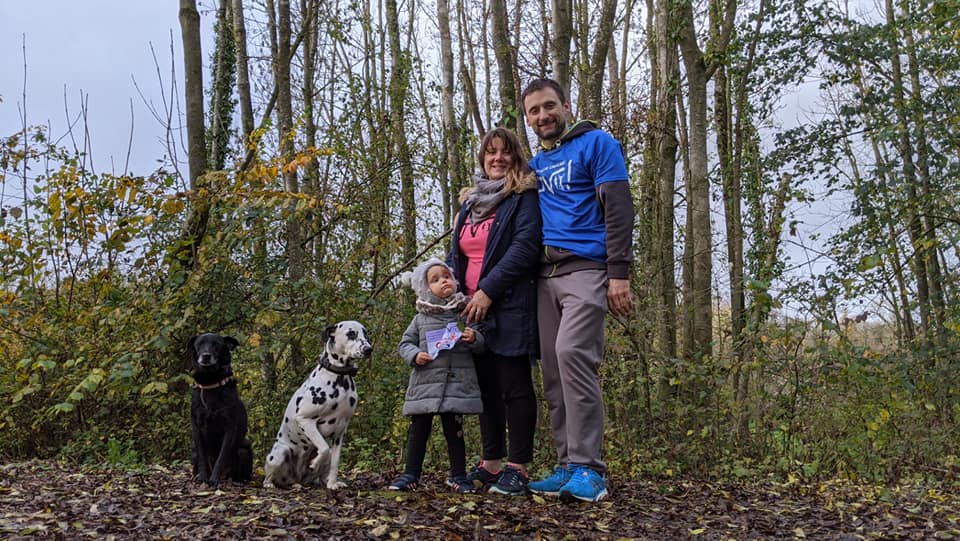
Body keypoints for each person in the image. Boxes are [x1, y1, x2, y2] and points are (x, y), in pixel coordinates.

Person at [521, 78, 635, 503]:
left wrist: (619, 273)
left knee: (573, 355)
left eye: (549, 106)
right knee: (553, 369)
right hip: (543, 277)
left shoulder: (598, 144)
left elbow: (619, 208)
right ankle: (567, 465)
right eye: (534, 111)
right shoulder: (536, 164)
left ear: (566, 106)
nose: (543, 115)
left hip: (587, 267)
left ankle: (590, 469)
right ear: (528, 119)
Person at [447, 127, 542, 496]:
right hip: (471, 310)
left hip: (510, 306)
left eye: (505, 152)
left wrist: (487, 291)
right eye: (491, 152)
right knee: (485, 387)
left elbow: (525, 248)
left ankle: (518, 467)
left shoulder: (522, 197)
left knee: (514, 386)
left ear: (515, 157)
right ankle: (491, 463)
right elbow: (457, 255)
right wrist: (450, 292)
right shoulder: (469, 204)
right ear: (482, 158)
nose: (497, 158)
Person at [388, 258, 485, 493]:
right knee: (418, 431)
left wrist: (474, 339)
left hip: (456, 386)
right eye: (435, 279)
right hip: (425, 385)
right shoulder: (420, 319)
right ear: (426, 288)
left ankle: (459, 476)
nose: (444, 281)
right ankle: (410, 475)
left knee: (455, 433)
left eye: (447, 276)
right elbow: (404, 344)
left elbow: (482, 345)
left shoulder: (464, 314)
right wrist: (415, 355)